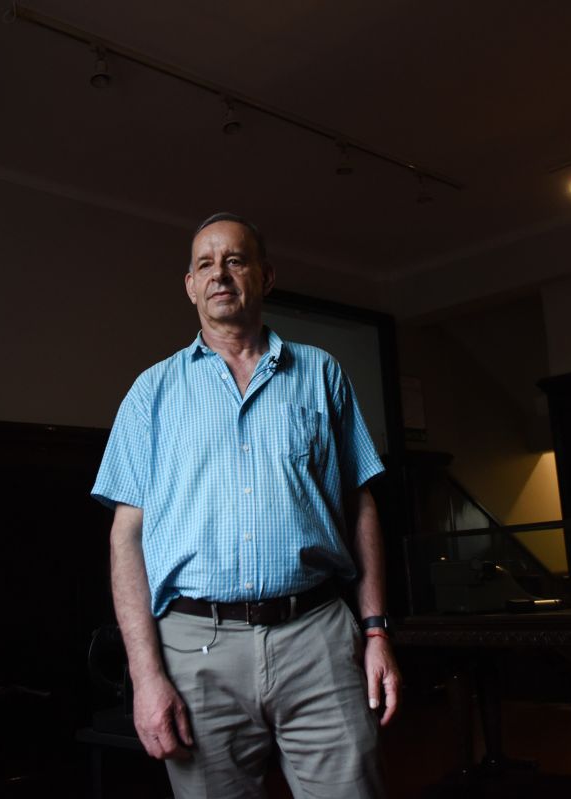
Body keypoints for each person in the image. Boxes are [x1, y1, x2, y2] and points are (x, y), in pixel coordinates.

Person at [91, 212, 401, 798]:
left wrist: (377, 632)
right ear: (190, 285)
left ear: (266, 275)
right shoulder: (150, 392)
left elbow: (359, 505)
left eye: (235, 260)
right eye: (205, 264)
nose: (220, 274)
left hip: (318, 639)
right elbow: (125, 537)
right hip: (193, 651)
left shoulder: (322, 373)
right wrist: (145, 674)